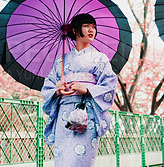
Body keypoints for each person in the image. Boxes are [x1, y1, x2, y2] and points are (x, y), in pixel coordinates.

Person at [41, 13, 118, 167]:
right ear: (75, 31)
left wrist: (87, 89)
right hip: (64, 114)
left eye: (94, 27)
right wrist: (57, 90)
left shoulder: (100, 58)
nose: (91, 30)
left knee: (80, 158)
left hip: (86, 113)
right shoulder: (61, 61)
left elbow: (109, 86)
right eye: (86, 26)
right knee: (62, 158)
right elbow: (48, 85)